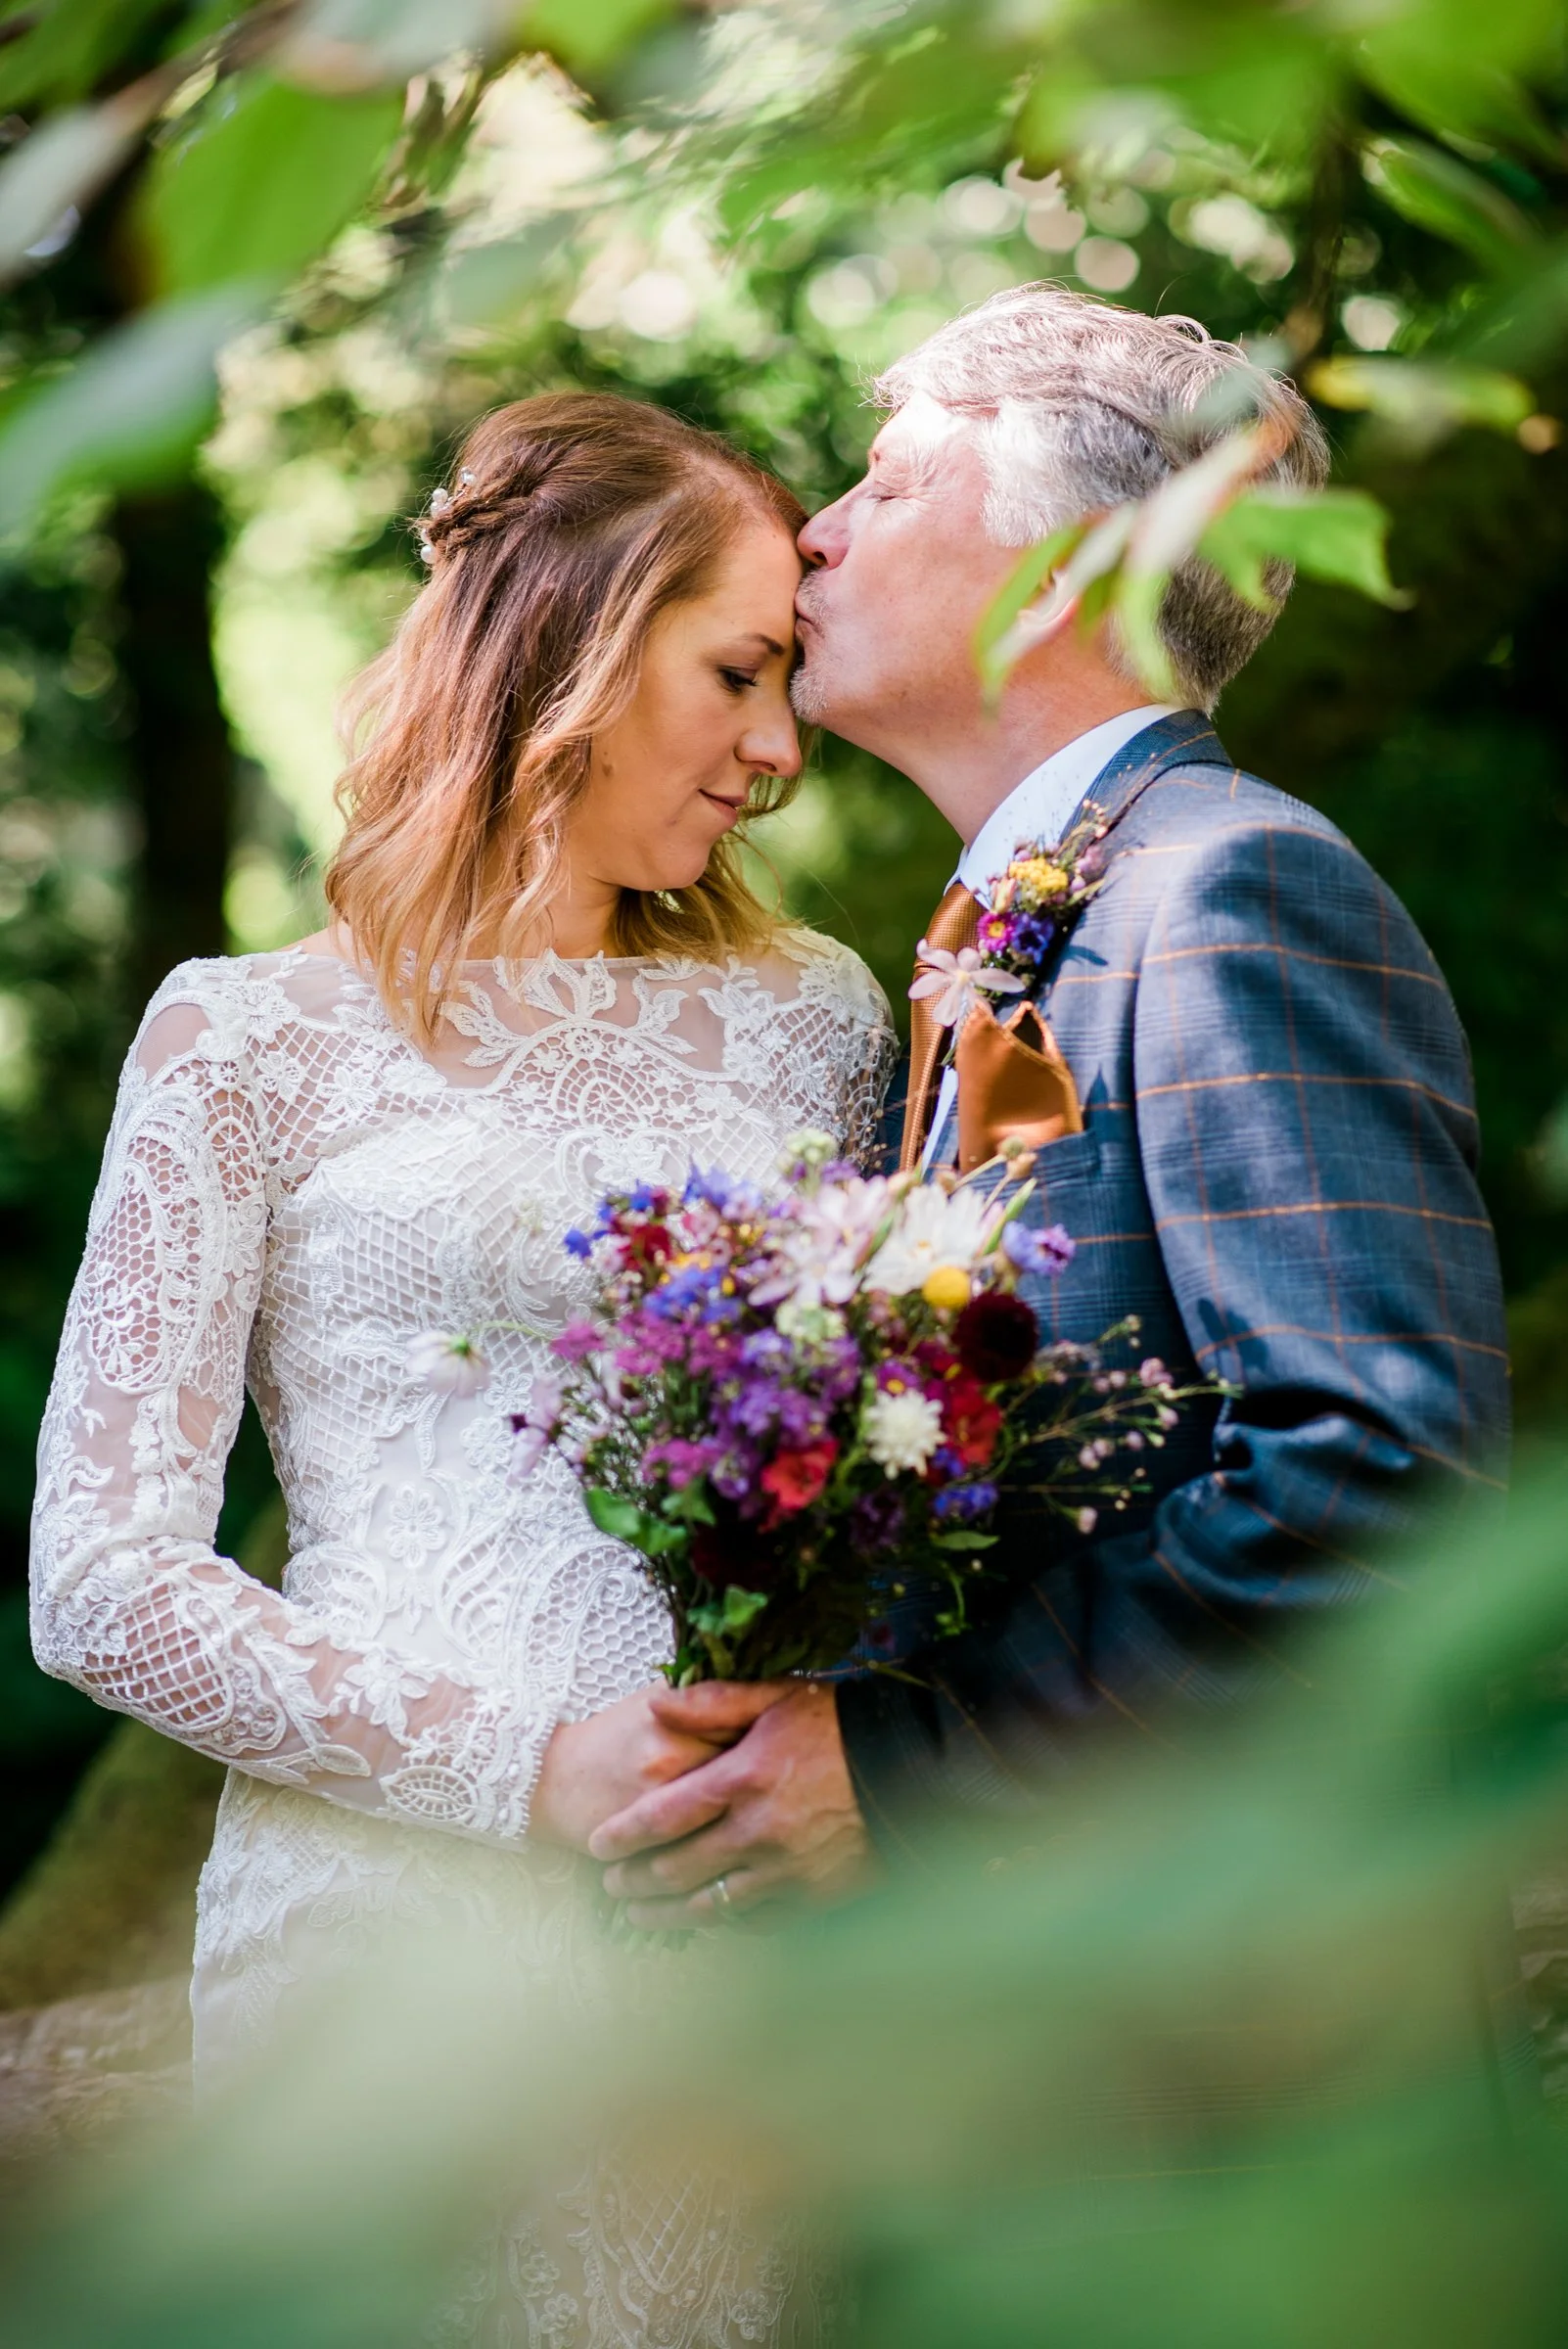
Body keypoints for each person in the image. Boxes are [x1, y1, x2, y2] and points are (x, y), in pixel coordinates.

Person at [28, 392, 894, 2344]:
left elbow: (871, 1475)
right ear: (571, 639)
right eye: (739, 670)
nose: (777, 747)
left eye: (794, 682)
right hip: (376, 1920)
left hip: (719, 1918)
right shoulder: (238, 1042)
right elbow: (99, 1579)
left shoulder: (816, 1022)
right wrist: (523, 1771)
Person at [586, 284, 1512, 1927]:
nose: (814, 535)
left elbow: (1378, 1472)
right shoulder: (1008, 929)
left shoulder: (1231, 886)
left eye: (887, 482)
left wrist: (909, 1765)